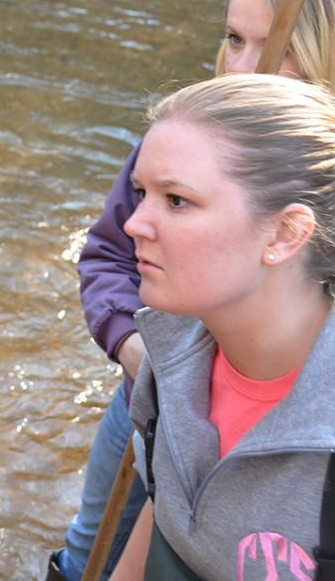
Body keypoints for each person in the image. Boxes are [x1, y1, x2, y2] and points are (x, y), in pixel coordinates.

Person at [49, 0, 335, 581]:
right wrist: (139, 352)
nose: (243, 65)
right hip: (160, 392)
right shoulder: (184, 141)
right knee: (91, 554)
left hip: (285, 433)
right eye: (234, 38)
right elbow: (107, 257)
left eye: (276, 47)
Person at [105, 72, 335, 579]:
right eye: (141, 192)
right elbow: (164, 515)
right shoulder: (168, 358)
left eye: (177, 200)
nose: (133, 224)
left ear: (285, 232)